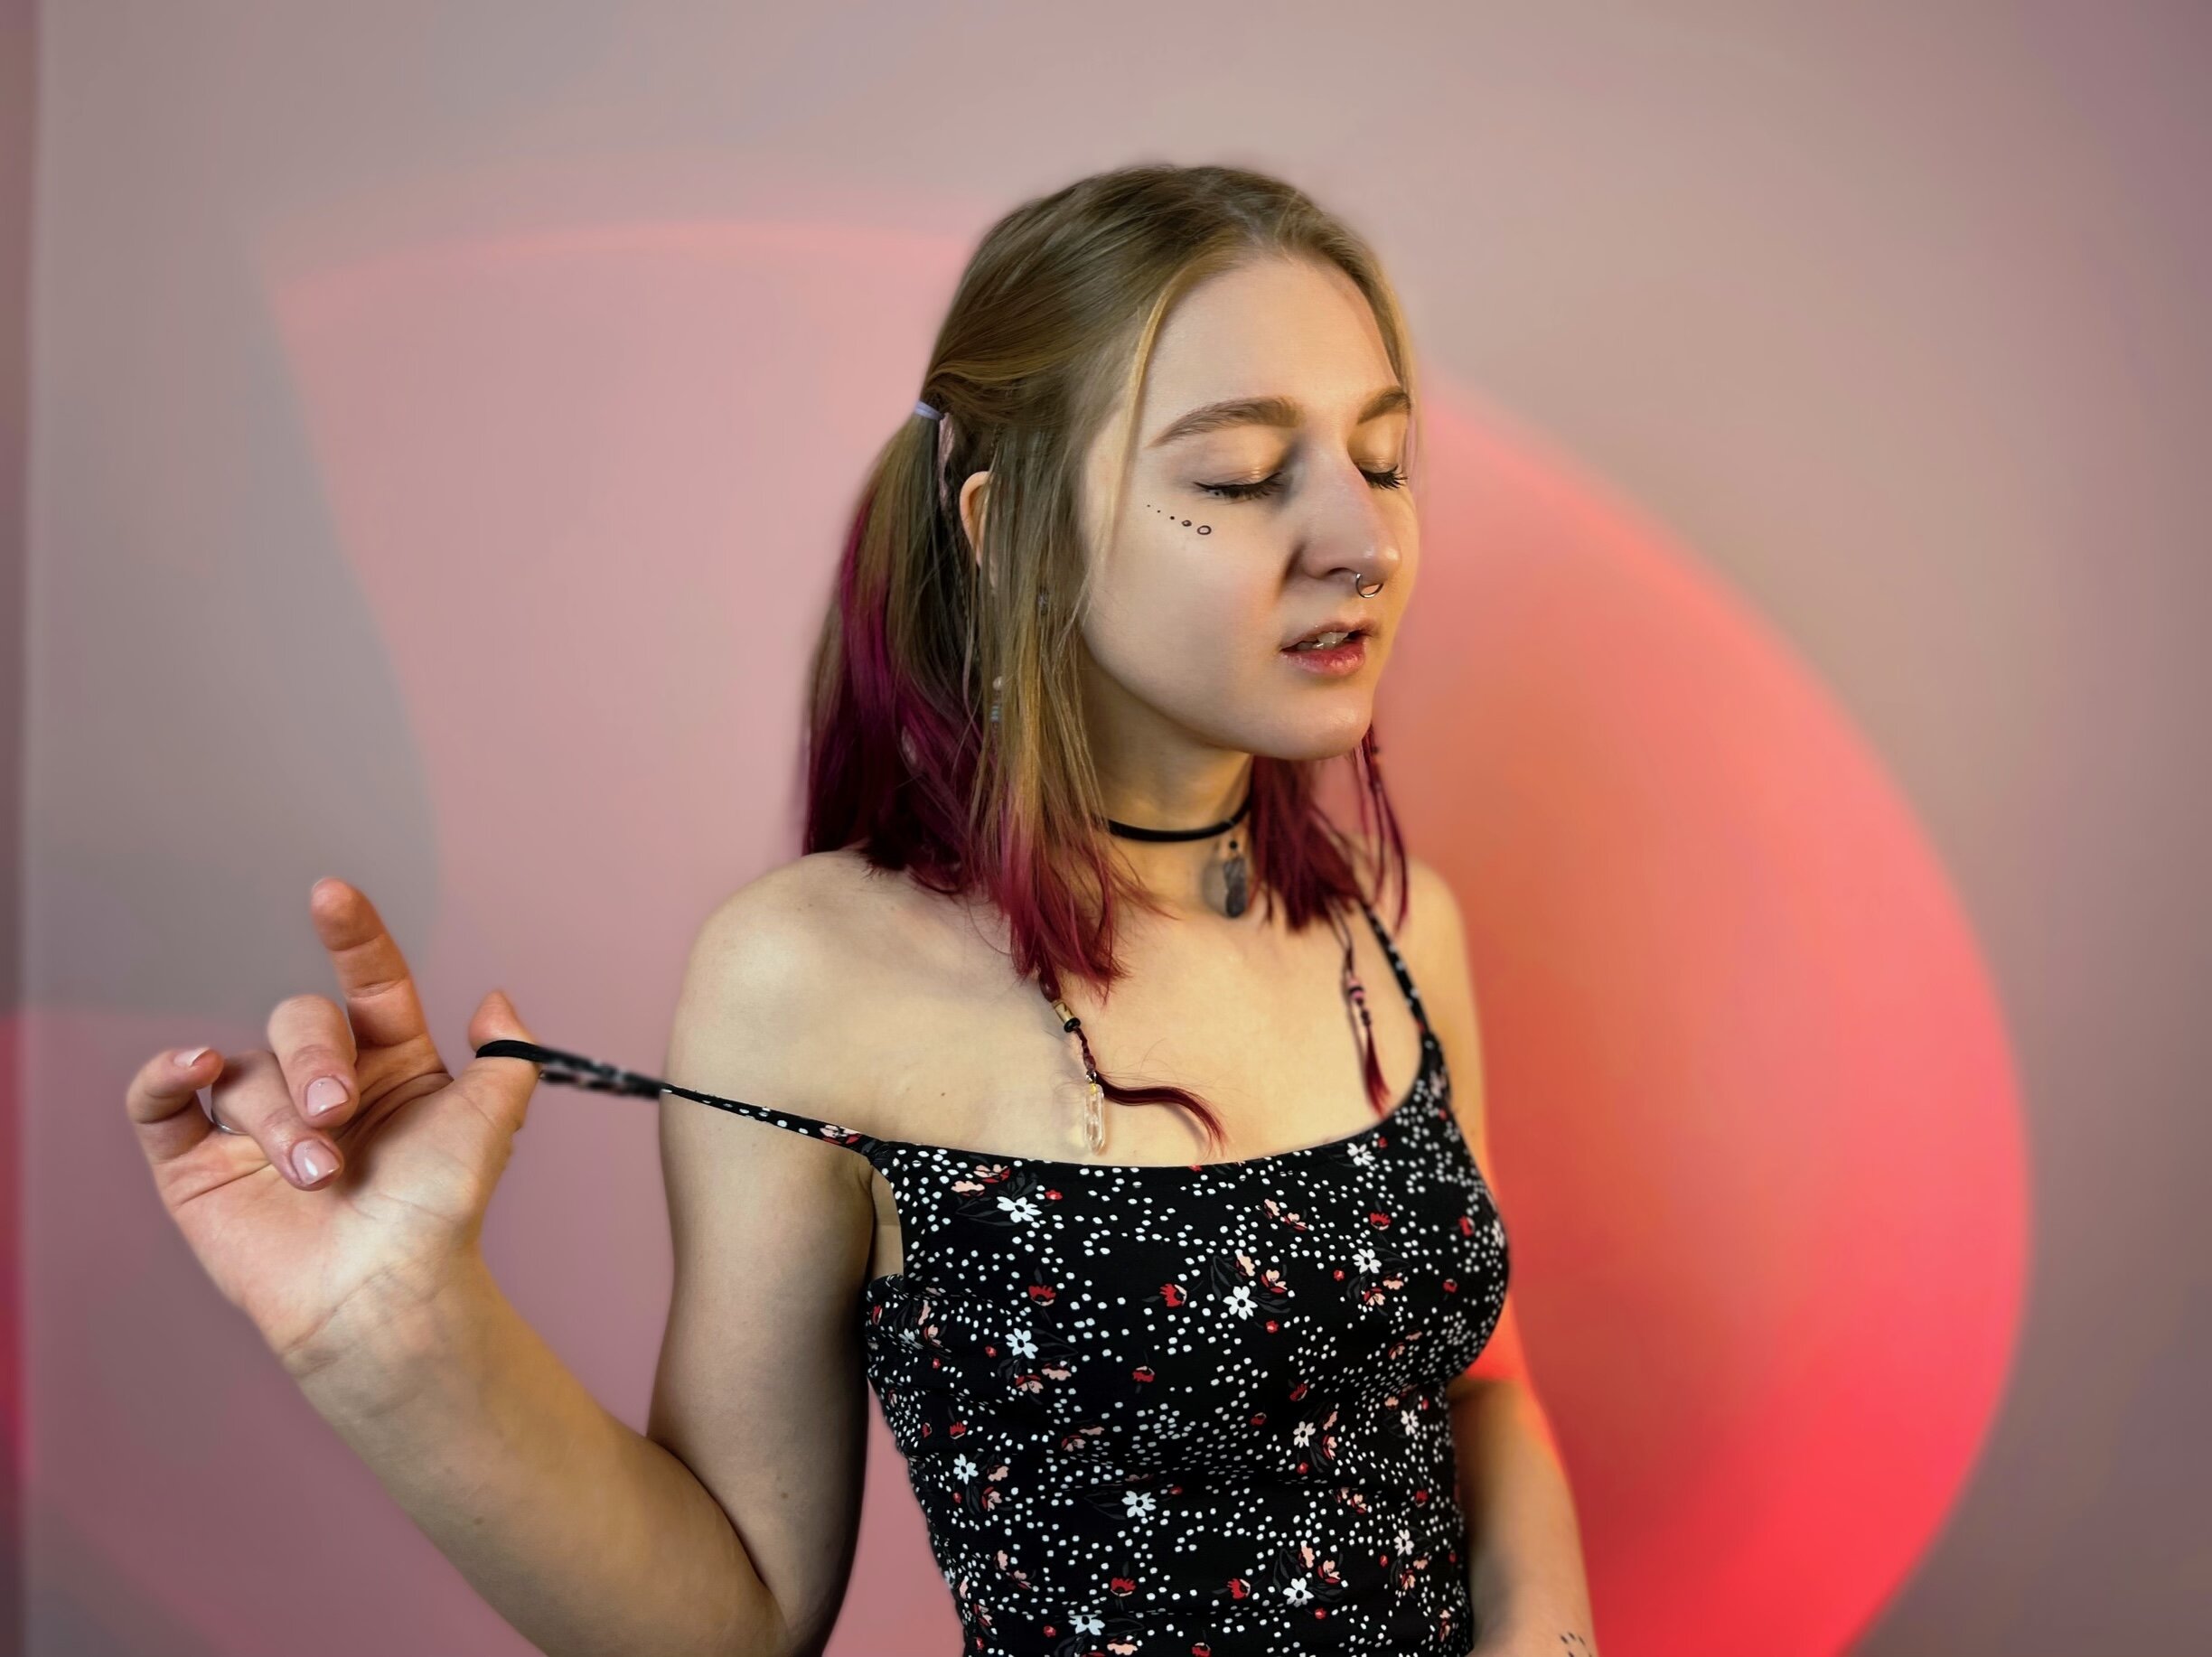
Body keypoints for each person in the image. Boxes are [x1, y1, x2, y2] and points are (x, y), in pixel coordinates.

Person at [127, 163, 1598, 1656]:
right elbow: (740, 1618)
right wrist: (396, 1337)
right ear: (1008, 523)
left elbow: (1481, 1382)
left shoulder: (1394, 931)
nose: (1369, 540)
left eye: (1384, 460)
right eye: (1239, 474)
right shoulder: (805, 980)